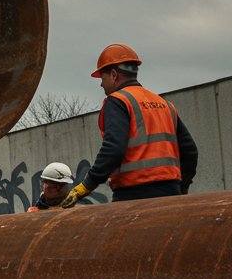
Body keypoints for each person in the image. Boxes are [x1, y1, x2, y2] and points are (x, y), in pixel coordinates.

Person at [62, 44, 198, 208]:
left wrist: (86, 185)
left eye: (102, 78)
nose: (101, 85)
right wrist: (182, 188)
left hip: (134, 195)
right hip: (171, 192)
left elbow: (113, 149)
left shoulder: (118, 101)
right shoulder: (165, 104)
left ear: (113, 75)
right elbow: (190, 151)